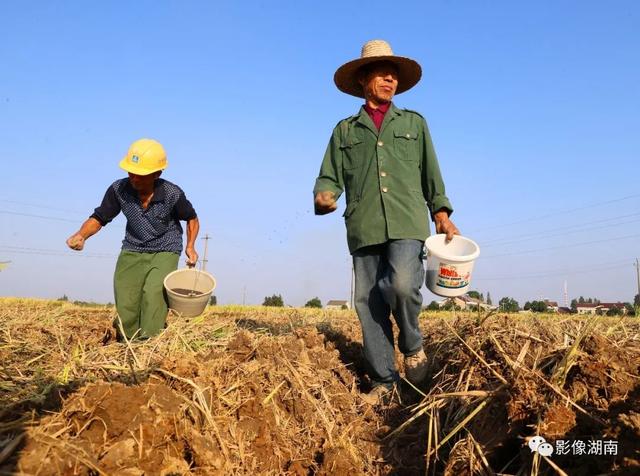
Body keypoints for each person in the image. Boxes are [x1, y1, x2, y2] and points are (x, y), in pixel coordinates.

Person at [314, 40, 459, 404]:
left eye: (393, 74)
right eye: (381, 73)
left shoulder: (414, 123)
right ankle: (383, 382)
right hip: (363, 225)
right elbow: (328, 177)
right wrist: (325, 195)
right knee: (368, 303)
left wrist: (440, 213)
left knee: (402, 283)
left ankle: (412, 345)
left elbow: (431, 173)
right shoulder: (345, 131)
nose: (389, 79)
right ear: (364, 80)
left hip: (407, 220)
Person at [66, 138, 200, 339]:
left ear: (157, 174)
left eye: (140, 175)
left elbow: (192, 218)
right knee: (126, 297)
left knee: (154, 293)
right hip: (133, 246)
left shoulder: (172, 193)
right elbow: (100, 216)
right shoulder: (118, 190)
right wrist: (81, 235)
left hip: (166, 247)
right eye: (131, 173)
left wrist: (191, 246)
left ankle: (149, 343)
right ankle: (128, 341)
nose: (134, 178)